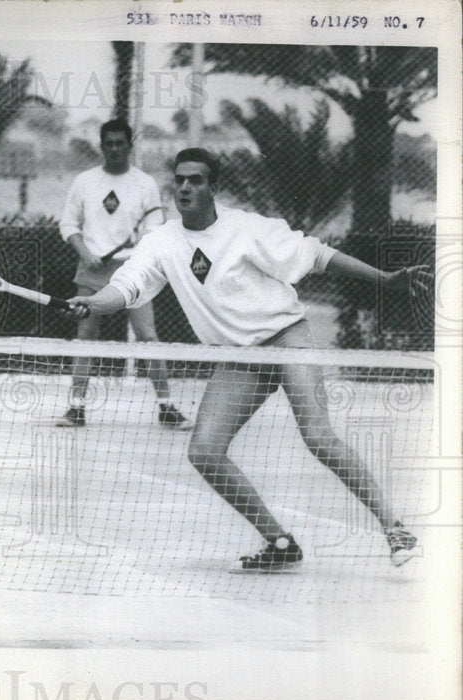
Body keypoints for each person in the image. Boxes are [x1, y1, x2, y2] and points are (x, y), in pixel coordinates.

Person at [68, 149, 421, 571]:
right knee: (204, 451)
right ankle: (280, 542)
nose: (184, 187)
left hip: (287, 337)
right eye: (179, 179)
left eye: (195, 180)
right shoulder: (160, 242)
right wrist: (92, 305)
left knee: (318, 437)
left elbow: (317, 255)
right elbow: (126, 287)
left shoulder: (247, 229)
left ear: (213, 188)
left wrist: (384, 280)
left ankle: (394, 527)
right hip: (239, 356)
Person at [58, 118, 191, 430]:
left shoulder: (145, 184)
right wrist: (86, 253)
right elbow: (68, 225)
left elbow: (153, 231)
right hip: (90, 270)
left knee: (148, 337)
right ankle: (76, 409)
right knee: (86, 338)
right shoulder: (84, 181)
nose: (115, 149)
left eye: (121, 143)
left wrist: (139, 252)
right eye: (109, 144)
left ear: (129, 146)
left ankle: (166, 408)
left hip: (133, 273)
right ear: (102, 146)